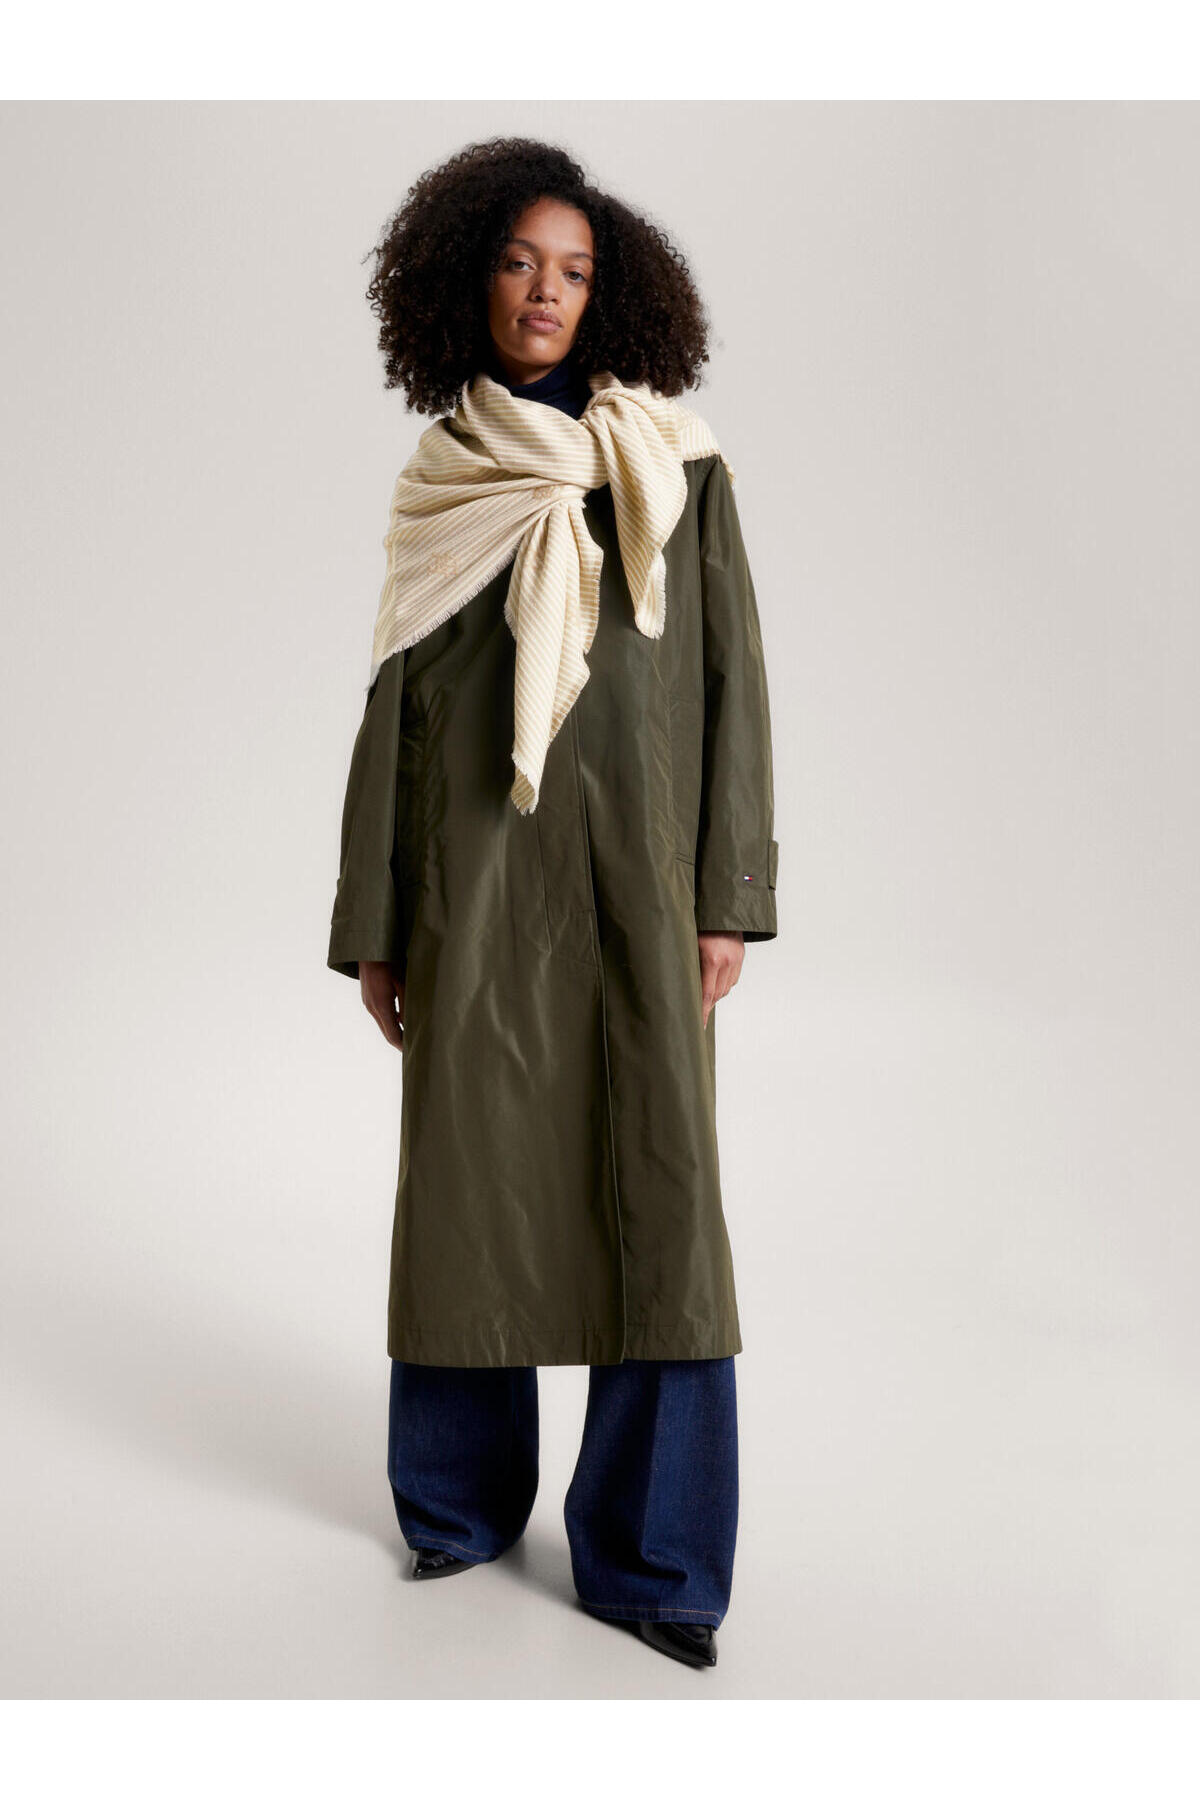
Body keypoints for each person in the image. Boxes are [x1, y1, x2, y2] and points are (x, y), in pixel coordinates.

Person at [327, 137, 779, 1671]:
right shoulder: (445, 476)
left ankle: (655, 1560)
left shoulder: (675, 465)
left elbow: (730, 683)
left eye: (575, 270)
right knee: (471, 1193)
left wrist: (727, 893)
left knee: (662, 1211)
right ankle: (456, 1508)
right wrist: (379, 920)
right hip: (475, 891)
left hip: (638, 888)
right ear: (471, 278)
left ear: (611, 293)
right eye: (521, 262)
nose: (545, 291)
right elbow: (396, 714)